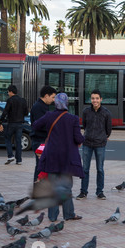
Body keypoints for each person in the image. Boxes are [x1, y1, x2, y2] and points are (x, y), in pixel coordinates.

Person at [32, 92, 84, 222]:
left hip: (52, 157)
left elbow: (35, 125)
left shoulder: (49, 116)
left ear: (56, 103)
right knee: (66, 187)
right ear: (67, 103)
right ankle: (69, 214)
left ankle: (52, 216)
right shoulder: (73, 118)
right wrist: (82, 138)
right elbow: (78, 138)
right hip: (67, 158)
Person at [77, 89, 112, 200]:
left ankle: (99, 192)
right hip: (87, 143)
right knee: (85, 169)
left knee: (100, 169)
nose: (95, 100)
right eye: (93, 98)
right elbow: (84, 126)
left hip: (100, 144)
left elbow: (108, 130)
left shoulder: (106, 113)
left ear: (101, 99)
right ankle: (83, 192)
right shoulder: (86, 111)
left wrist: (102, 137)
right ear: (90, 99)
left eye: (97, 98)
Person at [30, 85, 57, 182]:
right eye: (52, 97)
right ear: (46, 96)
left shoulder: (44, 106)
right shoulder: (38, 107)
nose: (53, 100)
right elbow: (40, 125)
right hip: (39, 140)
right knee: (41, 167)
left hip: (43, 140)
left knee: (44, 166)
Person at [0, 85, 28, 165]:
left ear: (11, 92)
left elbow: (5, 112)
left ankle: (10, 156)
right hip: (20, 124)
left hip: (11, 123)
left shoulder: (10, 100)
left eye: (8, 92)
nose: (8, 93)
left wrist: (0, 121)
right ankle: (19, 160)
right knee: (18, 141)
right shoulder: (23, 100)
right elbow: (26, 112)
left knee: (8, 138)